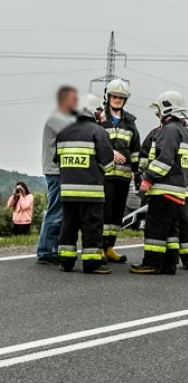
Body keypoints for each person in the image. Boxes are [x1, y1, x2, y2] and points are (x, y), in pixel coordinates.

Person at [132, 91, 188, 275]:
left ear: (166, 108)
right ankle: (169, 264)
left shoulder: (169, 131)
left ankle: (151, 263)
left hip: (164, 188)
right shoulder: (184, 132)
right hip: (178, 190)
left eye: (159, 110)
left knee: (155, 228)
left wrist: (148, 178)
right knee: (171, 229)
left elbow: (165, 160)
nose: (157, 114)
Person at [54, 93, 114, 274]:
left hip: (67, 193)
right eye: (99, 111)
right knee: (91, 227)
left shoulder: (63, 133)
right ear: (93, 111)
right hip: (92, 194)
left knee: (68, 226)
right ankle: (92, 263)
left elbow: (57, 161)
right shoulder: (98, 132)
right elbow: (109, 164)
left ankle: (65, 261)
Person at [97, 79, 141, 264]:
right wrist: (110, 152)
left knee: (116, 216)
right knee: (102, 213)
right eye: (114, 96)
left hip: (123, 177)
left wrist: (136, 172)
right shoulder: (99, 118)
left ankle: (109, 247)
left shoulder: (130, 122)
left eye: (121, 97)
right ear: (108, 96)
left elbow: (136, 149)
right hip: (103, 175)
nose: (117, 100)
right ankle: (97, 247)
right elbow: (93, 142)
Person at [36, 85, 78, 264]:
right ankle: (45, 251)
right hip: (56, 171)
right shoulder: (57, 119)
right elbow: (76, 132)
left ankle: (53, 248)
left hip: (60, 171)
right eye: (73, 99)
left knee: (60, 211)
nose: (76, 102)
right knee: (55, 211)